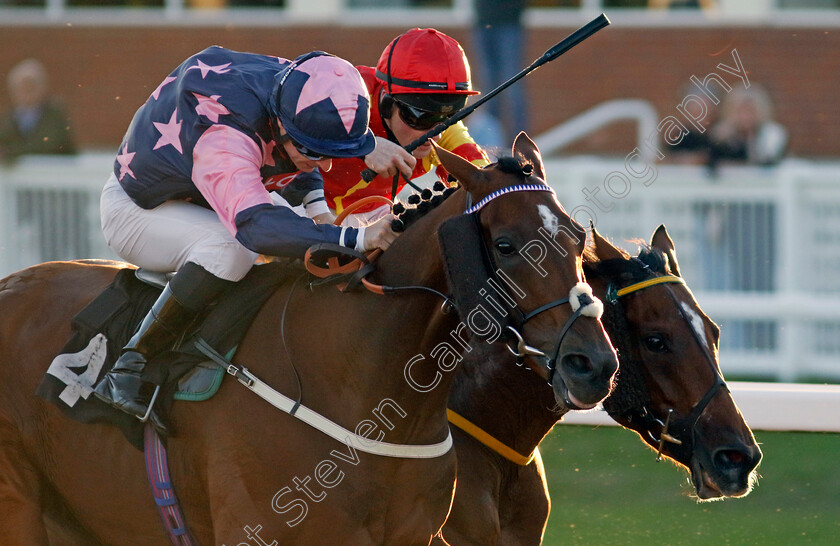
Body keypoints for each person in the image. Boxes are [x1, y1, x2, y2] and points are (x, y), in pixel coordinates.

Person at [94, 46, 412, 425]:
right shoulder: (225, 138)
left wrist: (322, 209)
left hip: (202, 195)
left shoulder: (299, 86)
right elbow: (255, 229)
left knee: (310, 230)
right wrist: (354, 239)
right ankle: (130, 365)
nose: (326, 165)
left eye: (332, 154)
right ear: (281, 124)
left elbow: (304, 150)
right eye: (314, 151)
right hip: (139, 209)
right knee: (231, 250)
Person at [313, 28, 489, 226]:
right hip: (296, 202)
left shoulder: (442, 128)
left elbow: (484, 181)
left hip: (373, 214)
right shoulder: (350, 93)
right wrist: (365, 144)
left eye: (448, 118)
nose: (435, 135)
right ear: (387, 103)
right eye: (421, 118)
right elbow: (290, 130)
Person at [471, 0, 529, 147]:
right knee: (488, 88)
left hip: (509, 22)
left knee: (513, 83)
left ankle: (520, 144)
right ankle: (492, 143)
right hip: (482, 20)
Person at [0, 58, 76, 164]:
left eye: (30, 88)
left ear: (42, 88)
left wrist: (12, 153)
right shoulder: (8, 119)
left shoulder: (55, 115)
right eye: (21, 89)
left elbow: (49, 145)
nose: (26, 94)